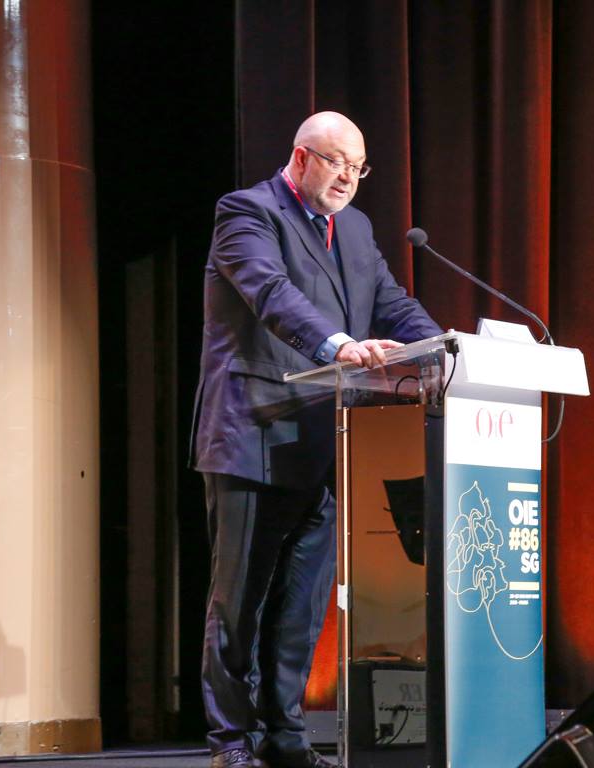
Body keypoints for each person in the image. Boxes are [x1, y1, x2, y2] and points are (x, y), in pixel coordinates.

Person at [190, 112, 442, 768]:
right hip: (253, 432)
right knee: (240, 601)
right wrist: (338, 344)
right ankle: (231, 741)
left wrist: (443, 350)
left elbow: (390, 301)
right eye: (336, 162)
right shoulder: (247, 212)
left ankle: (286, 737)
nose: (348, 178)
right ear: (300, 158)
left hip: (326, 438)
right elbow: (270, 292)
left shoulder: (353, 228)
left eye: (358, 168)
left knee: (301, 606)